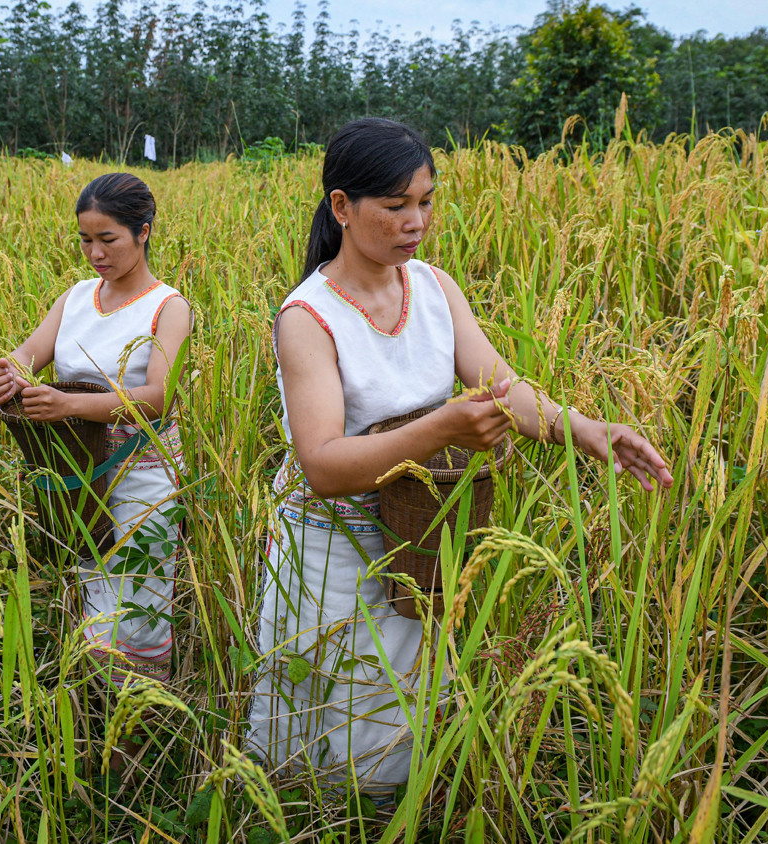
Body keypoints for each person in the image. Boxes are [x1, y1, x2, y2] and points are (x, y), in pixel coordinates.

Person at [245, 118, 674, 803]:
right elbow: (323, 465)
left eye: (426, 202)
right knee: (332, 722)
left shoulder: (436, 290)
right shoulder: (308, 317)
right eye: (395, 205)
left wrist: (591, 431)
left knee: (398, 722)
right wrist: (442, 424)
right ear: (342, 208)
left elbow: (506, 390)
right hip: (334, 551)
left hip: (420, 542)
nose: (415, 221)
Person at [0, 172, 190, 695]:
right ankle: (100, 720)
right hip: (77, 473)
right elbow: (28, 356)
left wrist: (71, 403)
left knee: (140, 600)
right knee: (94, 593)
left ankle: (139, 732)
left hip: (144, 478)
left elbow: (161, 396)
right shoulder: (75, 297)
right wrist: (5, 374)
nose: (95, 253)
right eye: (85, 240)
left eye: (108, 239)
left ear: (143, 232)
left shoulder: (168, 306)